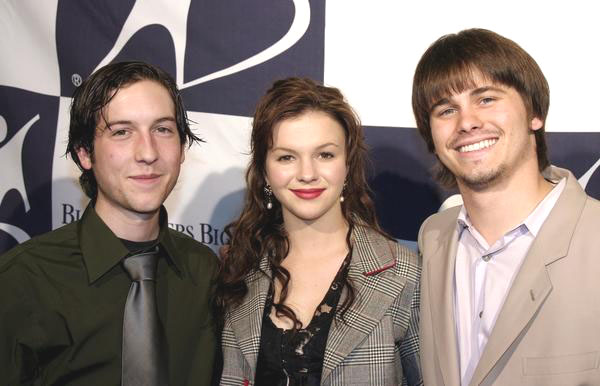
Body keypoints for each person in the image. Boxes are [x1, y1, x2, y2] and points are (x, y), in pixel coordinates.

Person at [0, 61, 218, 385]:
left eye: (162, 129)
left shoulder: (206, 274)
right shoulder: (22, 280)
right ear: (85, 153)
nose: (147, 152)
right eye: (121, 132)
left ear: (182, 147)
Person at [413, 28, 600, 385]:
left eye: (486, 99)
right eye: (446, 109)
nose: (466, 122)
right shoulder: (432, 238)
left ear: (534, 113)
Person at [216, 77, 422, 386]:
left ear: (347, 164)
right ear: (266, 172)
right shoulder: (241, 266)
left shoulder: (402, 273)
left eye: (325, 154)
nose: (307, 174)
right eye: (287, 157)